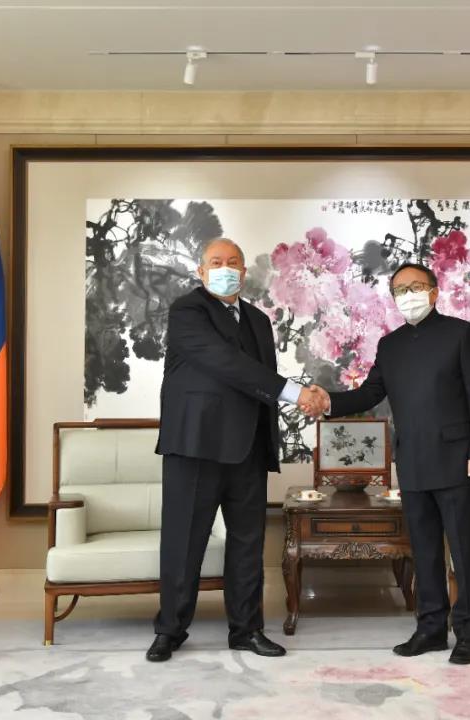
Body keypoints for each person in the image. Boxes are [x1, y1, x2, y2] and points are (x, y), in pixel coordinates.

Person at [304, 263, 470, 665]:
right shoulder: (390, 345)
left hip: (457, 460)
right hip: (412, 461)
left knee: (465, 551)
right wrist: (329, 401)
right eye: (400, 290)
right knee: (423, 551)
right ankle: (430, 629)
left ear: (434, 291)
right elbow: (369, 393)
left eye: (416, 287)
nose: (408, 295)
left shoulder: (461, 333)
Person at [149, 237, 320, 663]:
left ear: (243, 272)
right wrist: (295, 393)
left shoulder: (259, 320)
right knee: (183, 542)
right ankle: (170, 629)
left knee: (248, 544)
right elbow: (225, 362)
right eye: (216, 262)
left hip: (248, 448)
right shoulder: (188, 311)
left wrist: (281, 413)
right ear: (201, 271)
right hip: (196, 447)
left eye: (233, 262)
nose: (225, 269)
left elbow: (259, 381)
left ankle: (247, 630)